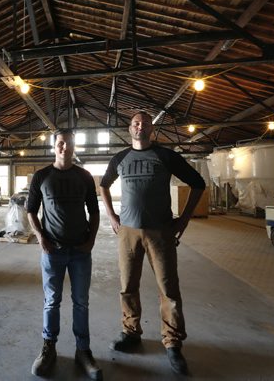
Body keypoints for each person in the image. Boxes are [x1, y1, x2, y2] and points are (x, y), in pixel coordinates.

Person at [100, 111, 205, 376]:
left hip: (161, 232)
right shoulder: (120, 158)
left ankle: (172, 343)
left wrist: (184, 220)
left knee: (168, 288)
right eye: (136, 123)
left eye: (145, 123)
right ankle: (131, 333)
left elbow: (198, 183)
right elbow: (103, 185)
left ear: (151, 129)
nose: (140, 126)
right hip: (128, 232)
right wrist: (113, 217)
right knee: (127, 286)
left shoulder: (166, 156)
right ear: (130, 128)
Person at [27, 128, 102, 380]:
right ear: (54, 146)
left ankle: (83, 351)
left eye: (69, 144)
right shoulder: (41, 176)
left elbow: (94, 211)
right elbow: (30, 211)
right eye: (60, 143)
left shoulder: (84, 176)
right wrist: (40, 238)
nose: (65, 148)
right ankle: (49, 349)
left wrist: (90, 241)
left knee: (81, 302)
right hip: (53, 251)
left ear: (74, 147)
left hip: (80, 251)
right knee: (52, 301)